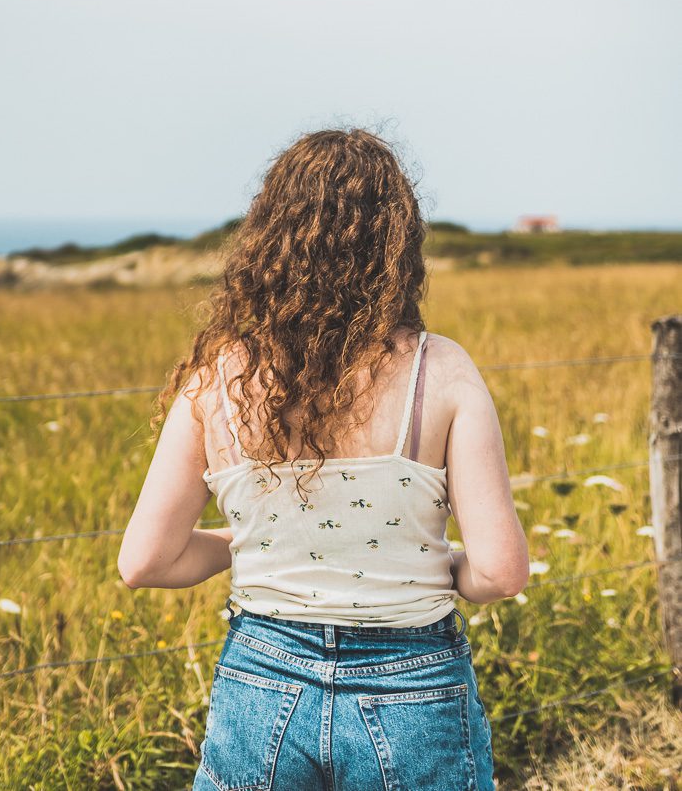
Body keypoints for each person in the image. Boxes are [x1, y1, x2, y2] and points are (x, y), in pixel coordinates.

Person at [118, 127, 529, 790]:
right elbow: (501, 571)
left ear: (270, 239)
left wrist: (245, 542)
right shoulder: (441, 371)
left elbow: (144, 561)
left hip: (260, 681)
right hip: (413, 687)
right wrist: (441, 568)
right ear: (397, 243)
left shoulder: (216, 381)